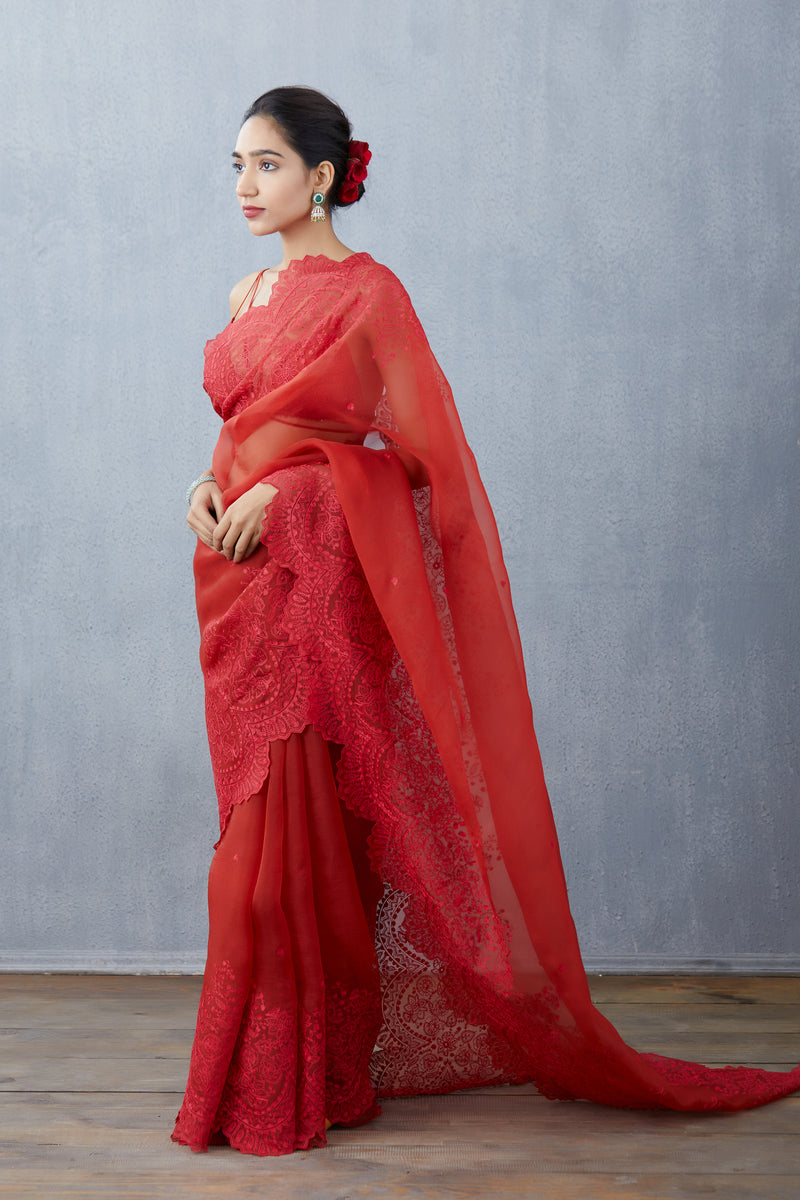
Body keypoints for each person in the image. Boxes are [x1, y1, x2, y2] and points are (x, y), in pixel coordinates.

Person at [172, 86, 799, 1158]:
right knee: (253, 834)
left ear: (320, 178)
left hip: (314, 587)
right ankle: (279, 1079)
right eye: (236, 165)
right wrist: (204, 487)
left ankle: (297, 1085)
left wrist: (298, 491)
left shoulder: (370, 295)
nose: (244, 185)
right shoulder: (246, 293)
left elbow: (421, 463)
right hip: (240, 584)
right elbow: (242, 431)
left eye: (266, 165)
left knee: (297, 844)